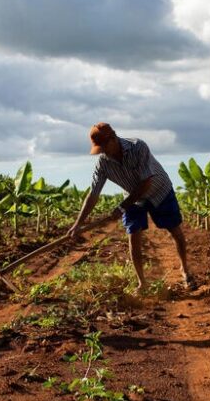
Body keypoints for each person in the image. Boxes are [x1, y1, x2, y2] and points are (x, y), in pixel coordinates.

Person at [67, 122, 192, 293]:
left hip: (159, 191)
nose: (102, 152)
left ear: (113, 138)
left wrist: (121, 208)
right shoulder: (103, 163)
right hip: (133, 199)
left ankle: (185, 270)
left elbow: (146, 183)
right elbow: (93, 194)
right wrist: (78, 223)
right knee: (133, 235)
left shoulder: (138, 147)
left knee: (175, 231)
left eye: (104, 147)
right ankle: (142, 283)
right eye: (99, 149)